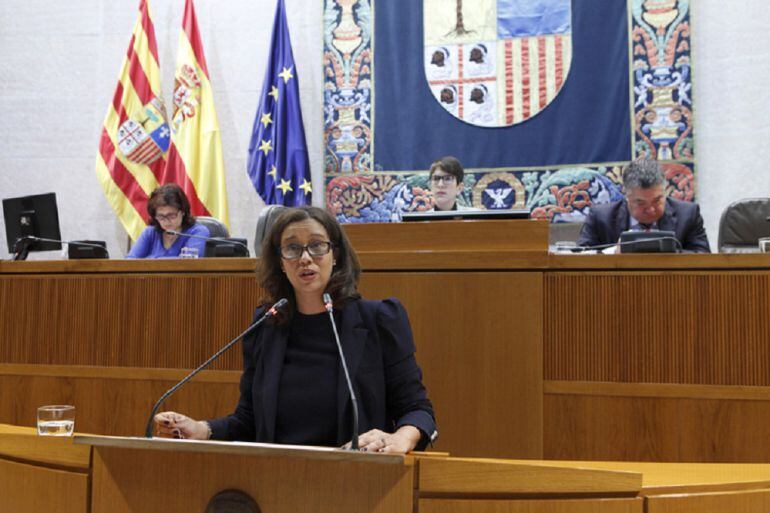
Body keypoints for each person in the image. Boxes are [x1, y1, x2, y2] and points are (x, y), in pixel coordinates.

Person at [154, 206, 437, 453]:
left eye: (317, 245)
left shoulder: (378, 320)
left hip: (356, 483)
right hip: (278, 484)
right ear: (280, 261)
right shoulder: (267, 325)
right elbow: (250, 420)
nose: (305, 258)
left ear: (335, 254)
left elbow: (419, 412)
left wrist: (401, 437)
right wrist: (201, 429)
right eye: (292, 248)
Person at [577, 159, 711, 253]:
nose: (651, 209)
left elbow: (704, 257)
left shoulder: (688, 214)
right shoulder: (600, 218)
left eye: (657, 200)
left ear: (665, 191)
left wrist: (666, 252)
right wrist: (612, 255)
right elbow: (580, 259)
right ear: (626, 195)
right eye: (640, 203)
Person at [126, 183, 210, 258]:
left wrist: (150, 260)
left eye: (171, 215)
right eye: (161, 216)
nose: (166, 221)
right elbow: (130, 262)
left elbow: (187, 265)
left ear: (183, 212)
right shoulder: (150, 233)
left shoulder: (198, 232)